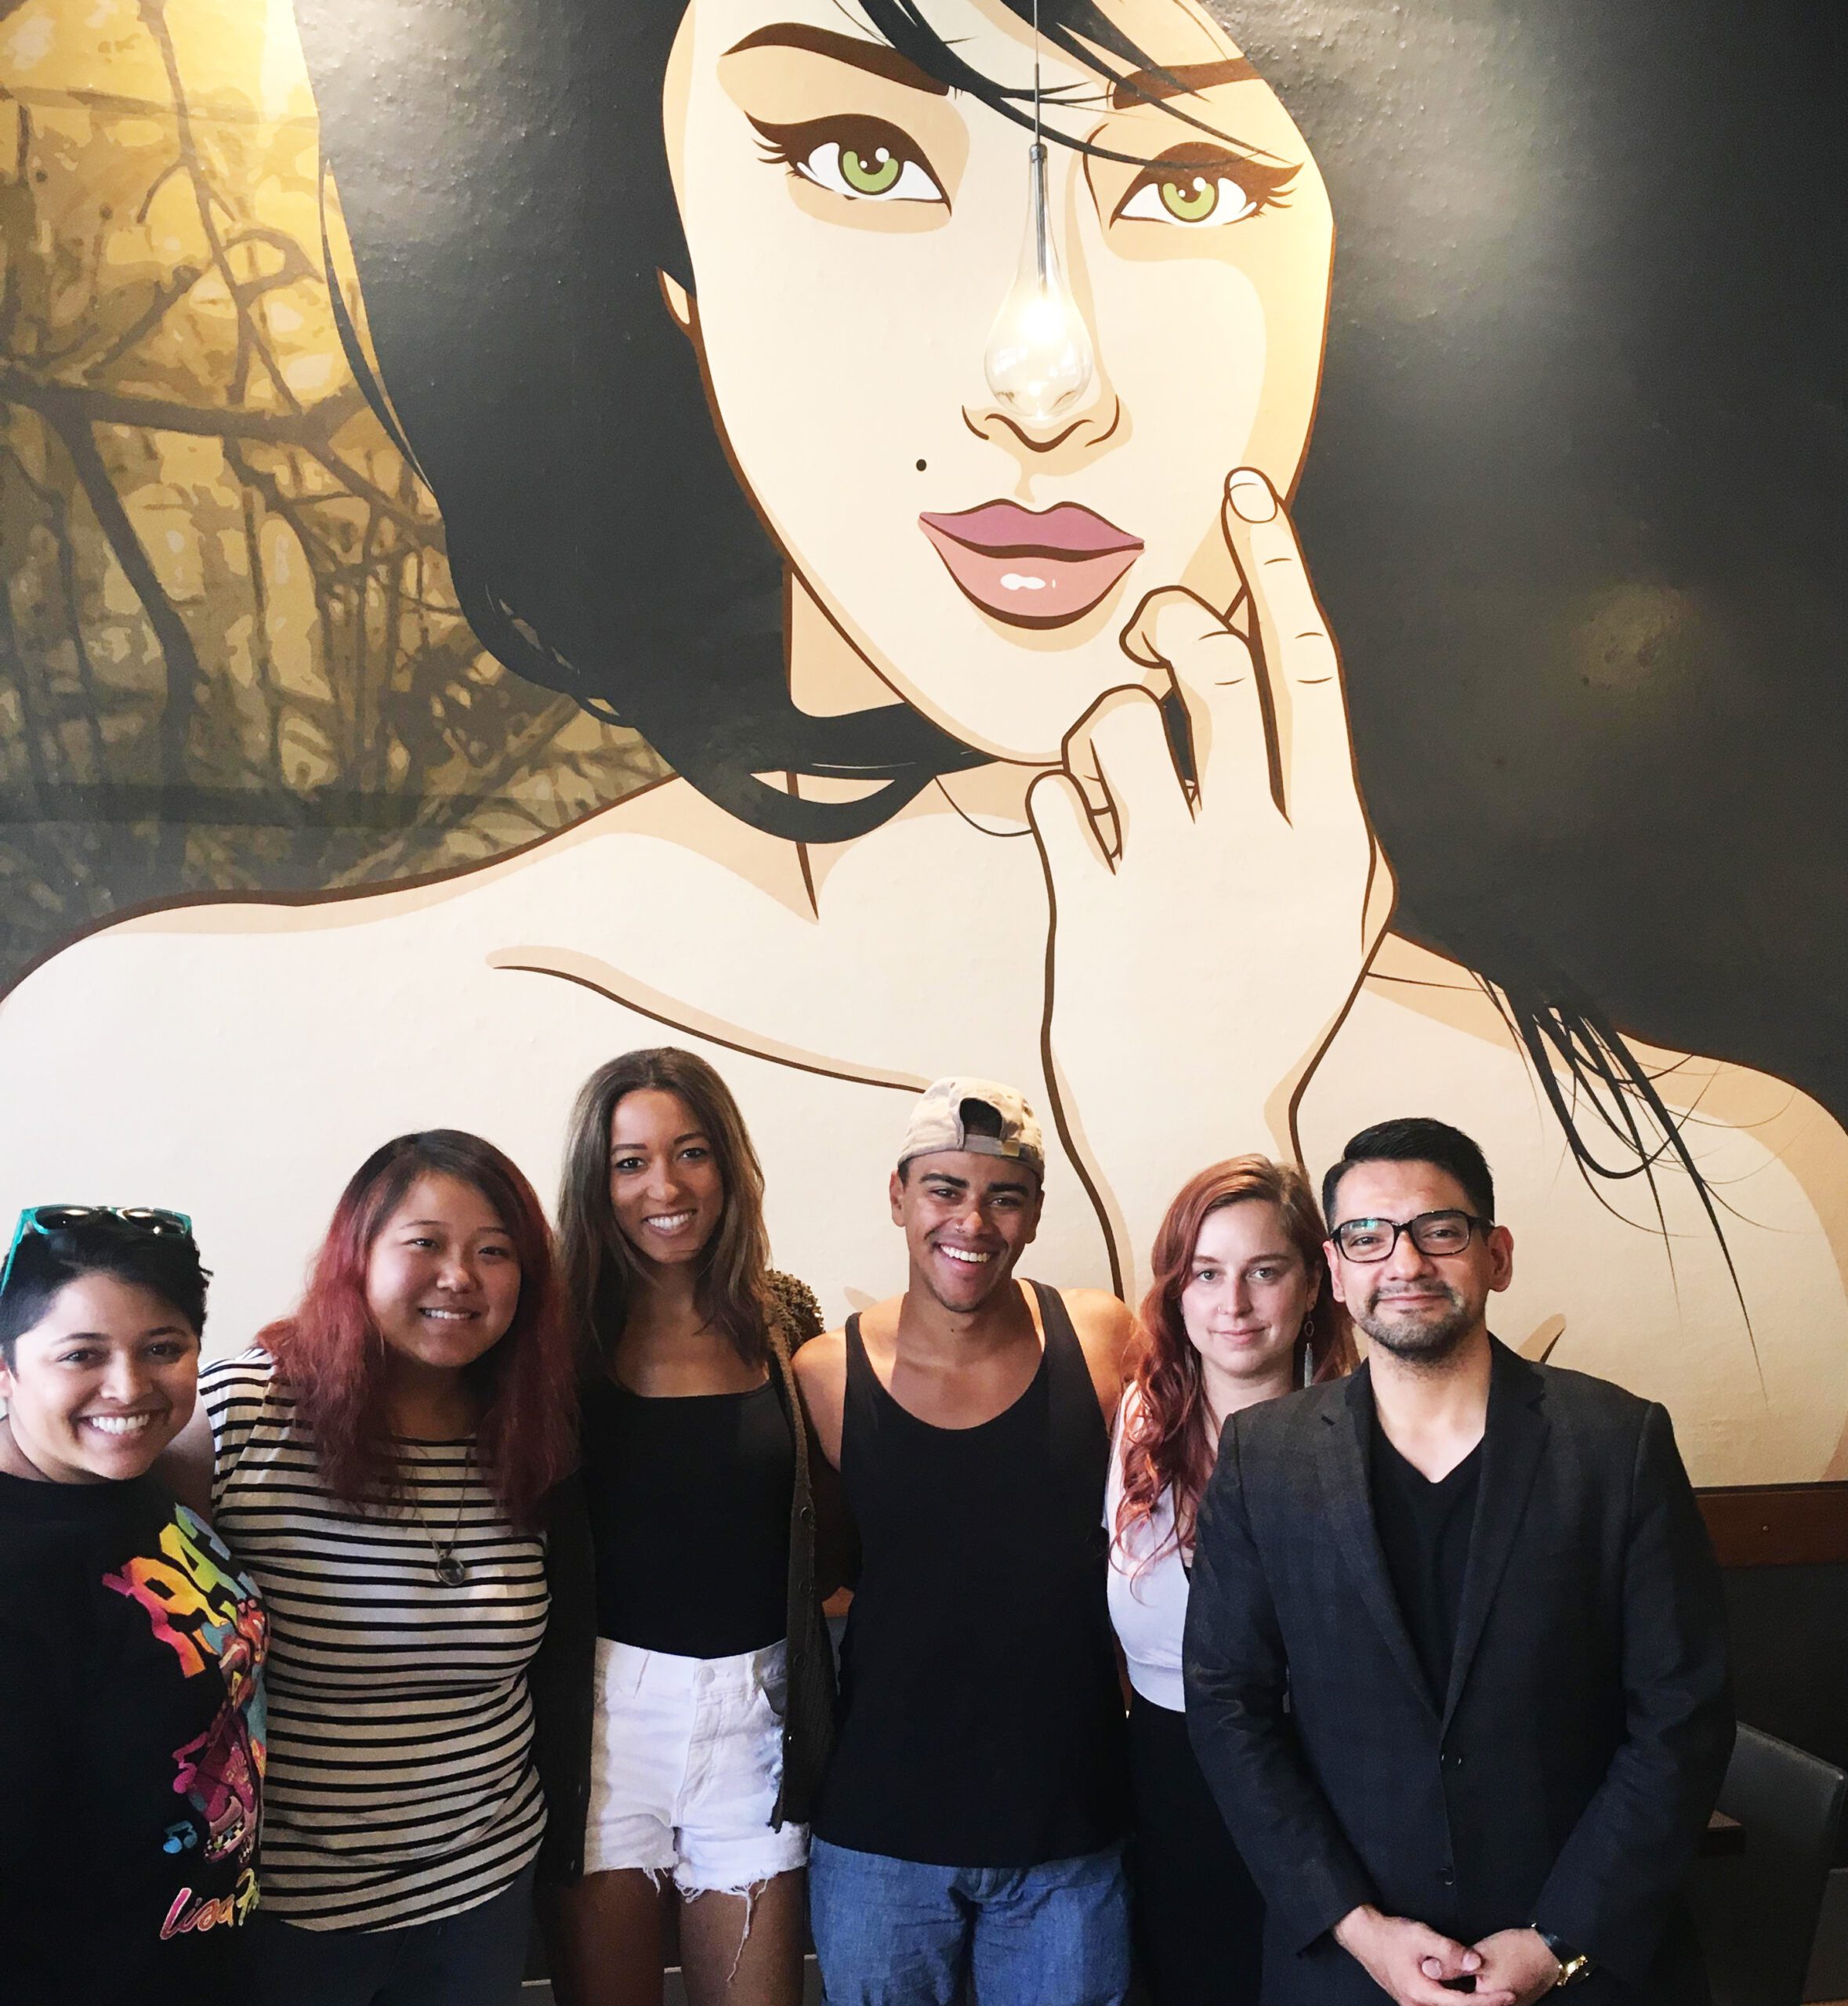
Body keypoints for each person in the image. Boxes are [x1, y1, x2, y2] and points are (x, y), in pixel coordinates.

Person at [6, 0, 1845, 1492]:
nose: (1042, 381)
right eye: (859, 159)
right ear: (664, 257)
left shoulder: (1719, 1198)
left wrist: (1203, 1128)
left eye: (1189, 186)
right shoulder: (174, 1026)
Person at [1183, 1117, 1733, 2006]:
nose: (1403, 1263)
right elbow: (1227, 1703)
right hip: (1349, 1966)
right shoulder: (1265, 1457)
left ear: (1496, 1254)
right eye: (1368, 1236)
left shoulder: (1616, 1444)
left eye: (1439, 1230)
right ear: (1335, 1268)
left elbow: (1682, 1713)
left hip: (1584, 1962)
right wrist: (1360, 1930)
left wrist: (1558, 1939)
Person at [163, 1130, 578, 2006]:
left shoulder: (532, 1433)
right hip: (291, 1913)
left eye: (493, 1251)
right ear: (357, 1256)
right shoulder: (244, 1412)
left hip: (483, 1893)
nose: (459, 1275)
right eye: (424, 1242)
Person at [794, 1077, 1135, 2006]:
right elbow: (820, 1575)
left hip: (1069, 1825)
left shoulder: (1102, 1337)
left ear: (1032, 1215)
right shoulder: (826, 1374)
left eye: (1004, 1195)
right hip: (879, 1834)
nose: (972, 1220)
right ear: (899, 1195)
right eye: (945, 1188)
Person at [539, 1048, 837, 2006]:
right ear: (598, 1179)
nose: (663, 1186)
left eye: (692, 1152)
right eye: (630, 1162)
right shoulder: (556, 1331)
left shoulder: (784, 1314)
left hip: (759, 1716)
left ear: (730, 1164)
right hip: (604, 1719)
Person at [0, 1205, 267, 2006]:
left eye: (163, 1348)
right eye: (83, 1353)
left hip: (197, 1960)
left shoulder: (137, 1488)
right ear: (6, 1368)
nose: (129, 1385)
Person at [1108, 1157, 1355, 2004]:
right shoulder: (1137, 1424)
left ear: (1316, 1282)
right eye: (1207, 1274)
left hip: (1327, 1776)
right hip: (1170, 1775)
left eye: (1265, 1272)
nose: (1234, 1304)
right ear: (1177, 1292)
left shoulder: (1367, 1428)